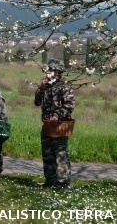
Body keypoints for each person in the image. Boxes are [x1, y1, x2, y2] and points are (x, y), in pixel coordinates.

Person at [34, 58, 75, 189]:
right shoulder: (46, 86)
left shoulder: (64, 86)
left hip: (59, 125)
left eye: (50, 70)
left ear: (57, 72)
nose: (47, 73)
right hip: (47, 125)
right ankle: (49, 180)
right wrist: (41, 87)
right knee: (47, 153)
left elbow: (70, 104)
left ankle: (63, 183)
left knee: (61, 154)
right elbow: (37, 102)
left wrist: (57, 115)